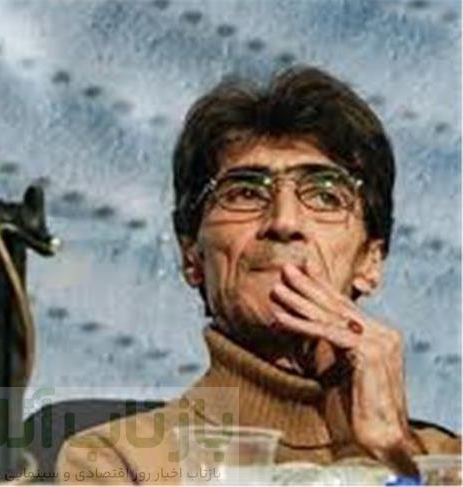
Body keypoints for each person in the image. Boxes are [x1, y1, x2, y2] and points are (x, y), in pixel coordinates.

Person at [55, 66, 461, 484]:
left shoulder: (448, 464)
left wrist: (398, 457)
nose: (284, 221)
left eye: (324, 195)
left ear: (370, 261)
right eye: (245, 193)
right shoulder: (115, 462)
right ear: (192, 256)